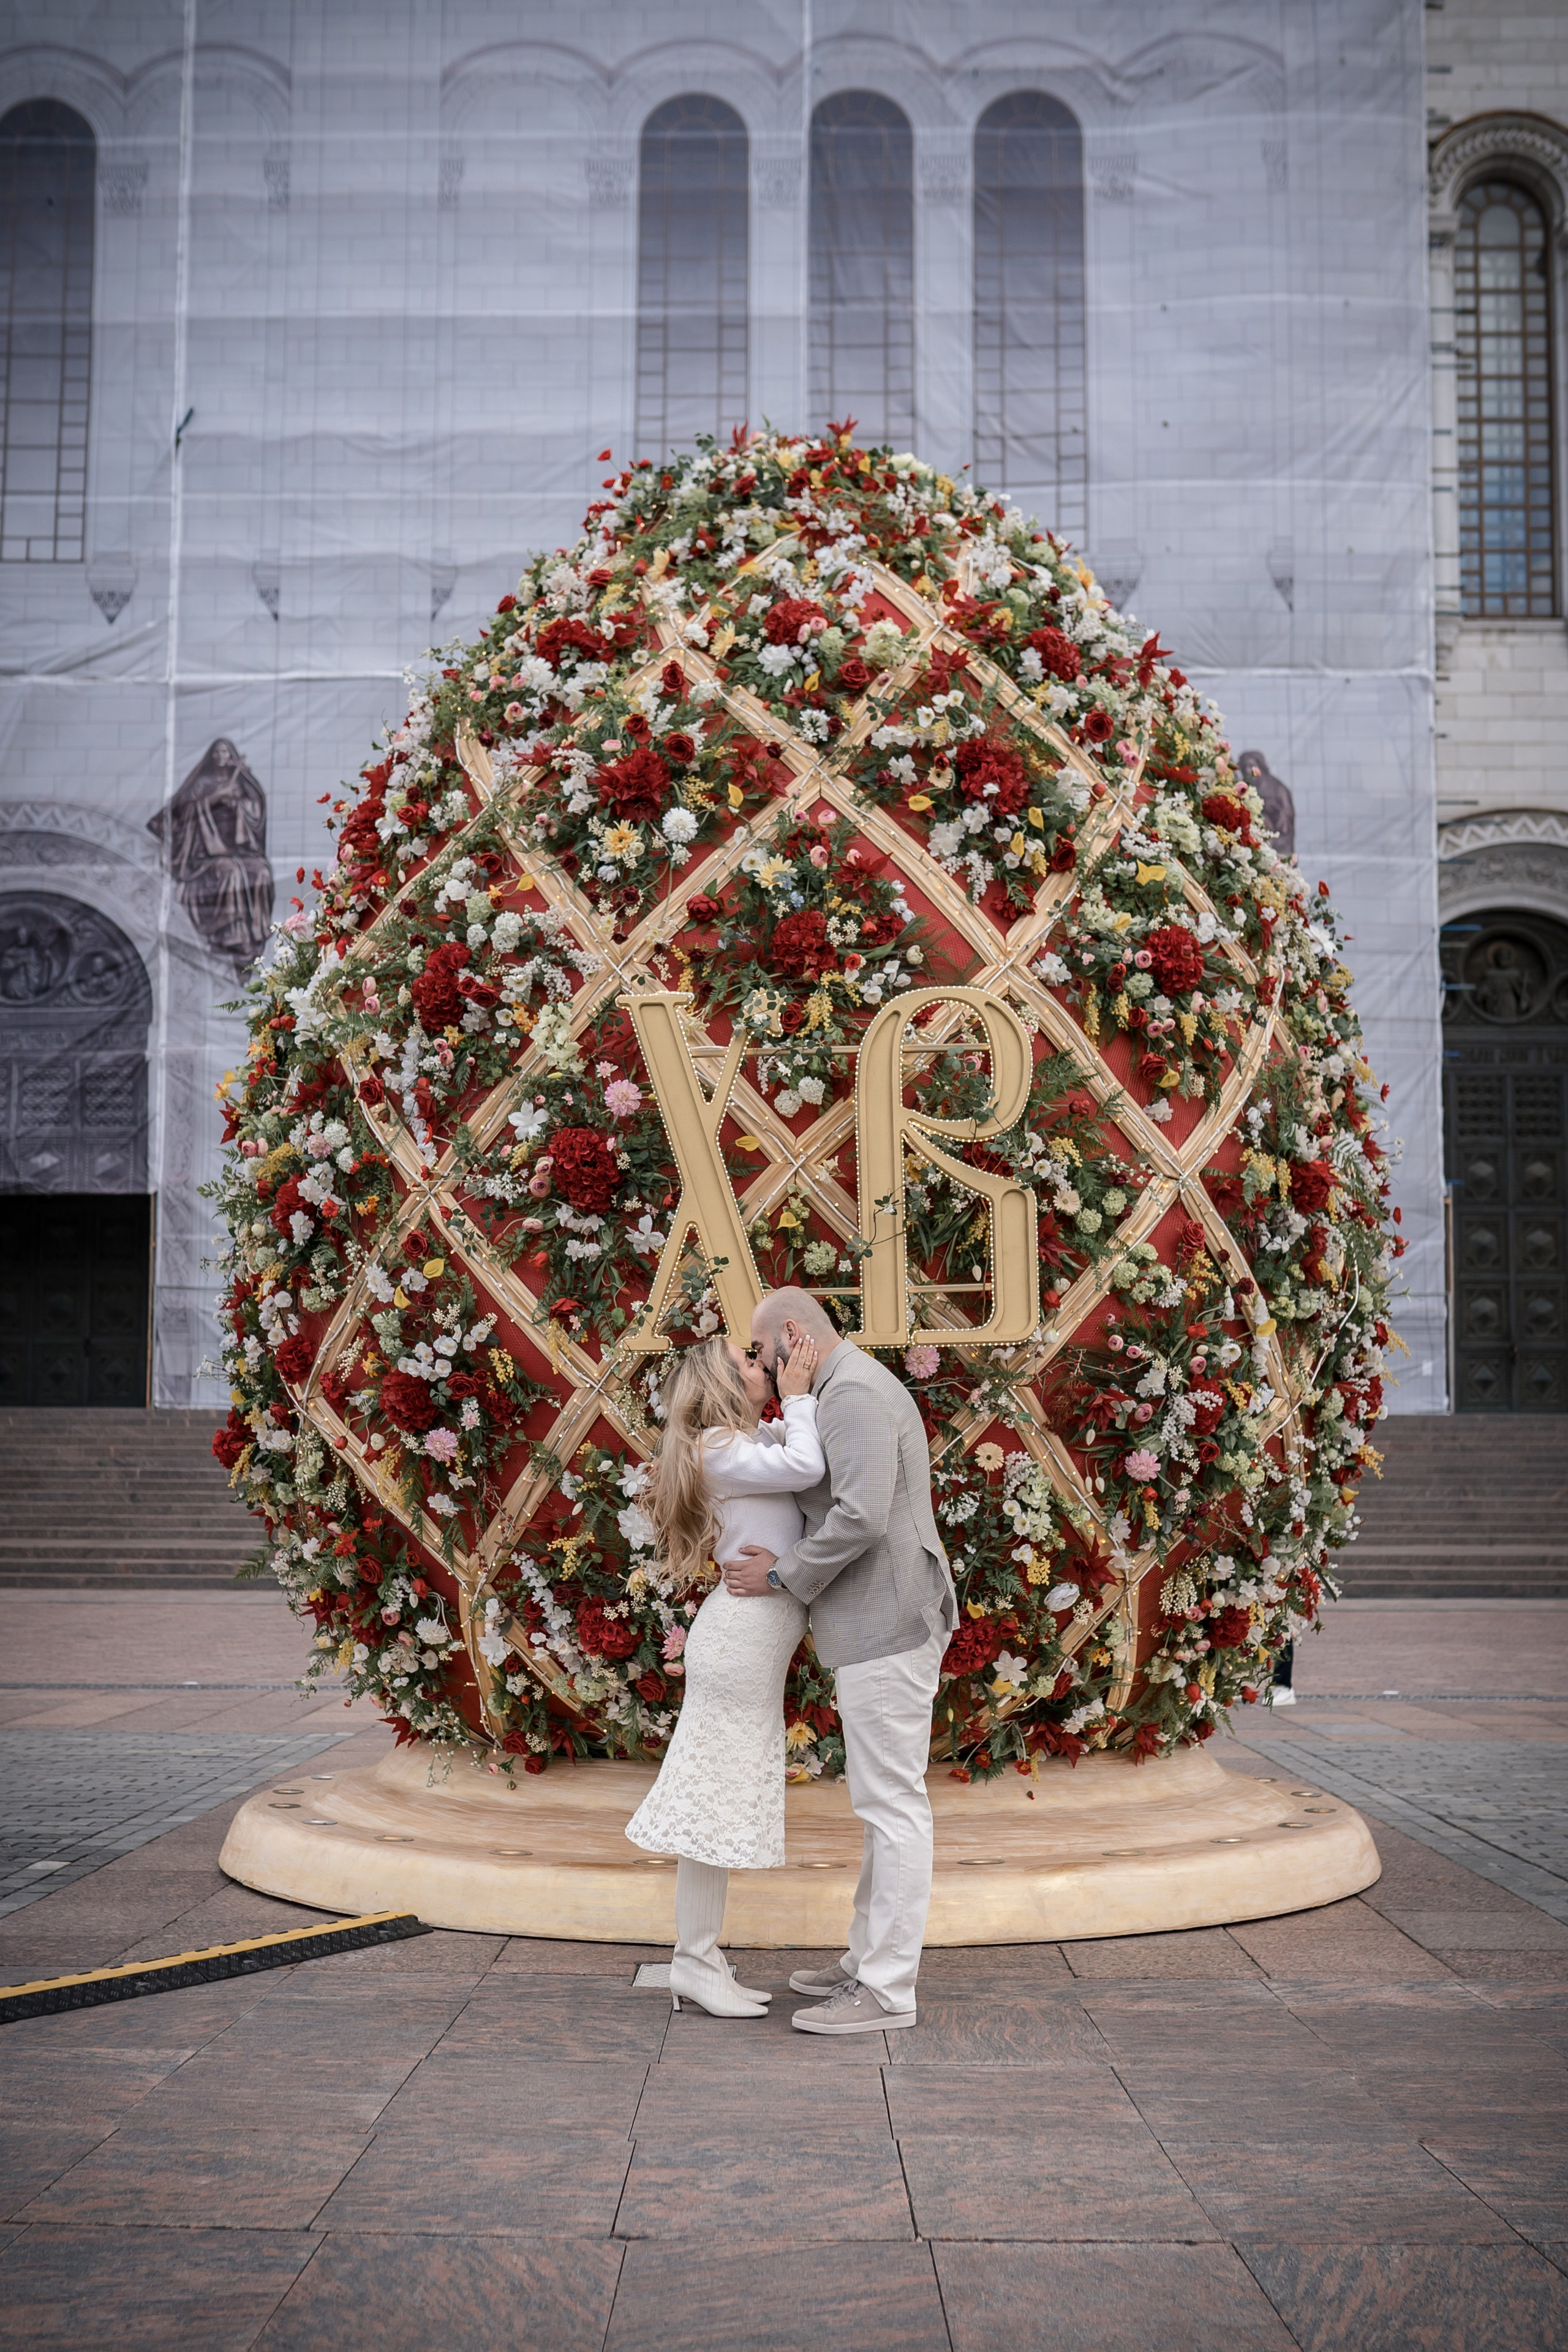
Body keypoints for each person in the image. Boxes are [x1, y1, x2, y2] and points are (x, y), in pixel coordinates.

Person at [724, 1289, 957, 2035]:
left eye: (761, 1352)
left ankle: (887, 1992)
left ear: (793, 1337)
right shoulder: (848, 1383)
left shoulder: (851, 1393)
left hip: (886, 1620)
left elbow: (858, 1514)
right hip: (881, 1618)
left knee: (891, 1806)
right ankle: (866, 1962)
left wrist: (783, 1574)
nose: (759, 1368)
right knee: (882, 1803)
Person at [625, 1328, 822, 2017]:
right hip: (740, 1640)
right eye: (749, 1360)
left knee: (719, 1799)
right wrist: (797, 1398)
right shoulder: (719, 1448)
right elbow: (808, 1467)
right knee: (713, 1801)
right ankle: (694, 1961)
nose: (763, 1365)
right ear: (720, 1382)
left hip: (750, 1637)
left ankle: (700, 1960)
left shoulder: (742, 1444)